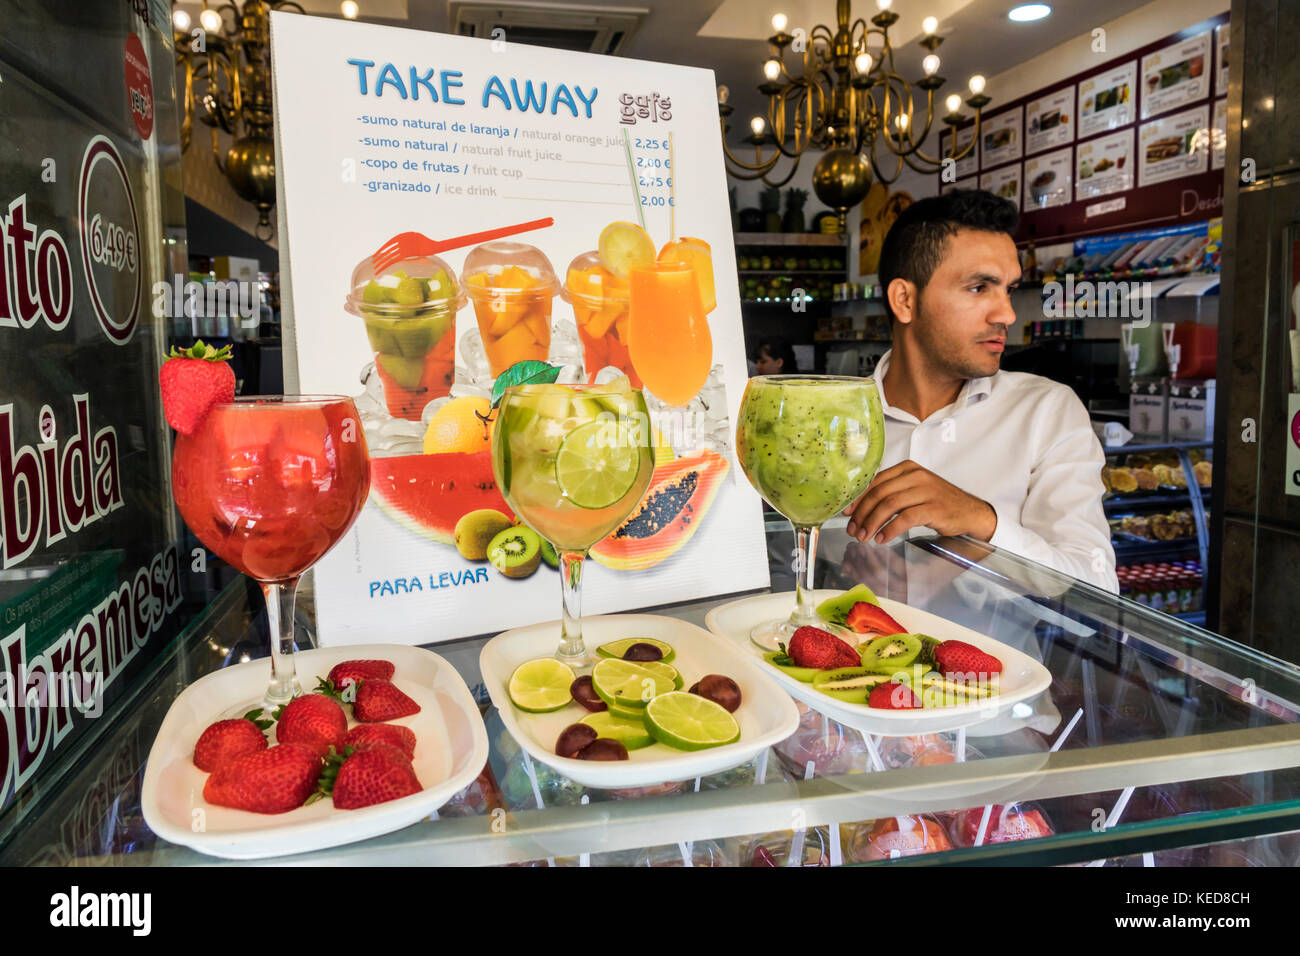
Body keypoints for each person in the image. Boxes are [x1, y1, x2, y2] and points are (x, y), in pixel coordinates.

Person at [842, 189, 1117, 592]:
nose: (1006, 313)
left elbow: (1096, 587)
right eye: (979, 288)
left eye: (1008, 289)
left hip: (1008, 658)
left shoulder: (1047, 412)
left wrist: (982, 523)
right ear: (905, 300)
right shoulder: (833, 418)